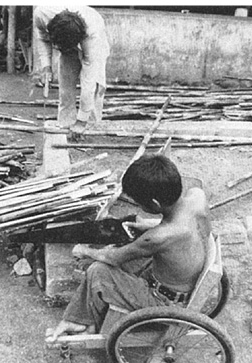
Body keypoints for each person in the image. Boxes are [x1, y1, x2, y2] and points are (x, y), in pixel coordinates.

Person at [47, 154, 212, 341]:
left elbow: (113, 258)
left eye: (140, 204)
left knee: (97, 270)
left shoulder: (159, 237)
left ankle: (77, 321)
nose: (139, 207)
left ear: (155, 203)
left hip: (165, 303)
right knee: (120, 258)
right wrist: (149, 225)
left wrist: (84, 250)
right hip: (183, 279)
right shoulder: (197, 195)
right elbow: (184, 229)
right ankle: (82, 317)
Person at [33, 6, 110, 135]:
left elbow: (89, 82)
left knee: (95, 84)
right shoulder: (42, 14)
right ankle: (65, 123)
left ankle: (89, 127)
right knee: (66, 82)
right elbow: (42, 38)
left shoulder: (92, 35)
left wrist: (81, 121)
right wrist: (46, 66)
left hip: (92, 35)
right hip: (68, 32)